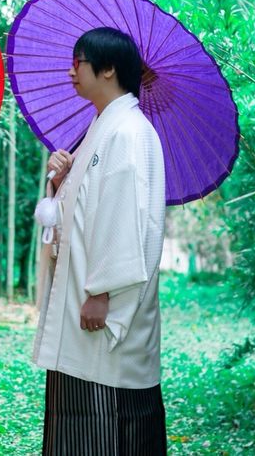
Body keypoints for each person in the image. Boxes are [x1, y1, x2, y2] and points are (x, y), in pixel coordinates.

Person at [34, 27, 167, 455]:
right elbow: (85, 211)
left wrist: (102, 291)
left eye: (79, 62)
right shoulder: (102, 126)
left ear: (108, 69)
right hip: (85, 294)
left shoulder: (128, 131)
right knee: (81, 411)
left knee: (108, 416)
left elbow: (125, 217)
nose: (71, 71)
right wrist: (62, 183)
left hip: (103, 301)